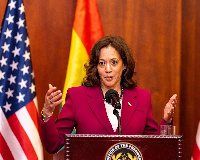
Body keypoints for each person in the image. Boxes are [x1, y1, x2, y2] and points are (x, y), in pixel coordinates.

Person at [40, 36, 177, 154]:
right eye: (102, 63)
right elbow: (54, 145)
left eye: (114, 62)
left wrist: (166, 121)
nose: (107, 69)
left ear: (124, 65)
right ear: (96, 67)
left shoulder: (142, 98)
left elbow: (153, 147)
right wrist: (47, 113)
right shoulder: (77, 96)